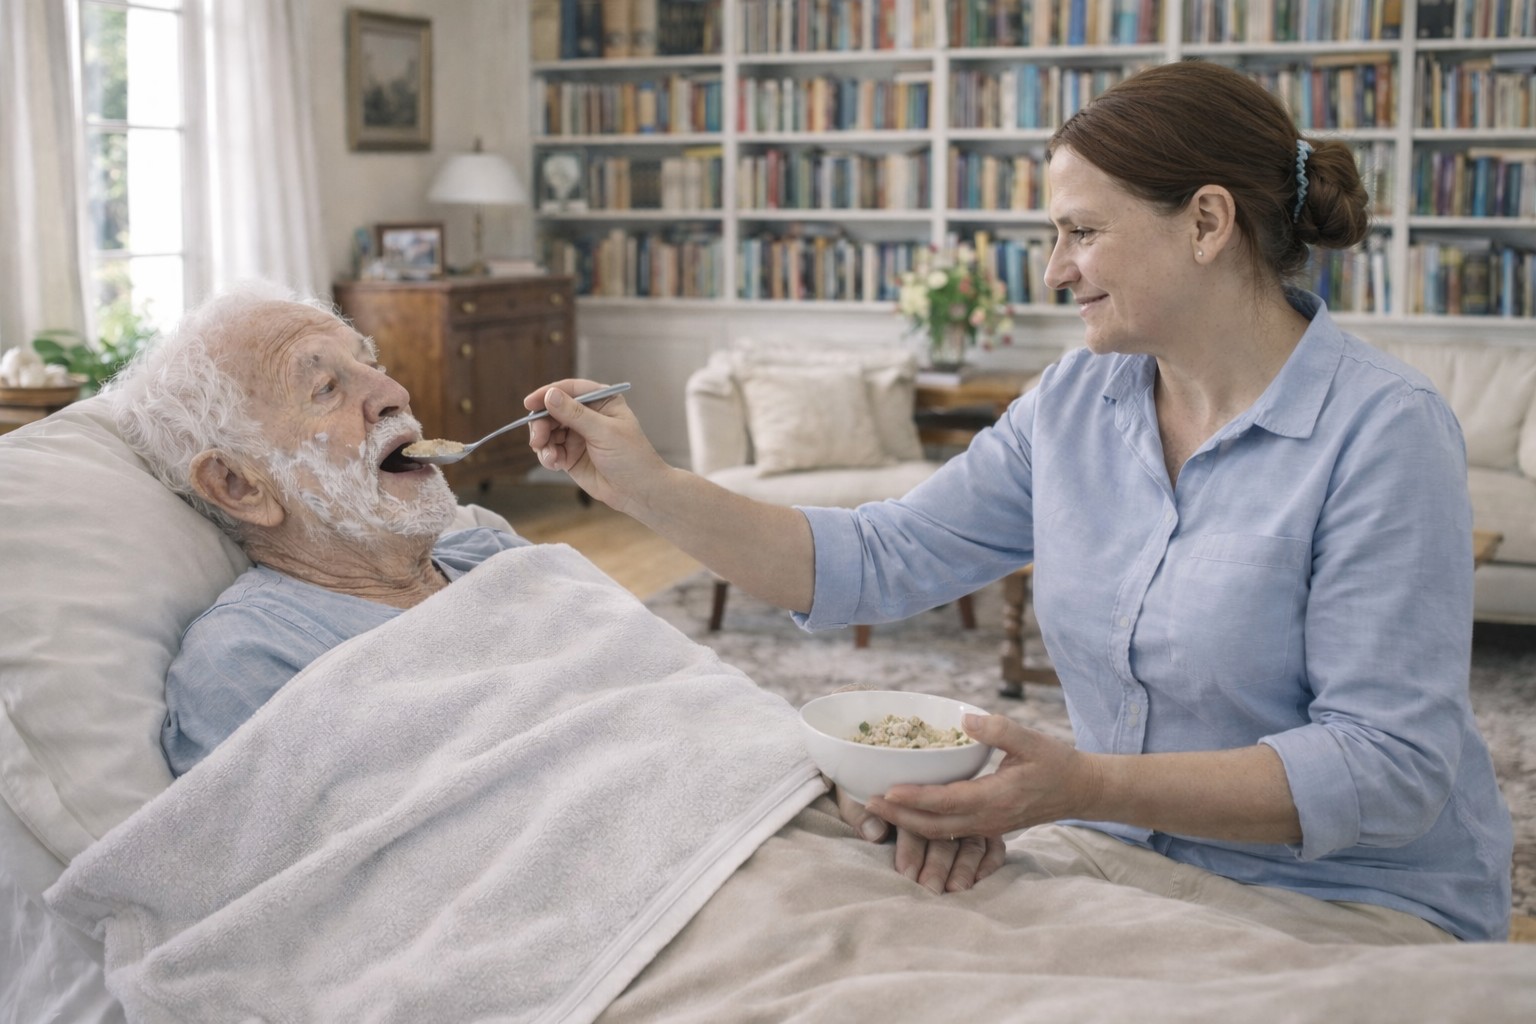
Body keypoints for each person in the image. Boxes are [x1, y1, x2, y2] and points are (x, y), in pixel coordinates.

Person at [523, 61, 1514, 942]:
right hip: (1134, 858)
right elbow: (874, 559)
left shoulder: (1382, 430)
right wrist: (643, 485)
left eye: (1083, 231)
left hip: (1350, 902)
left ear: (1209, 223)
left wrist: (1077, 786)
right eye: (1057, 233)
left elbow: (1387, 766)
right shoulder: (1077, 400)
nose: (1055, 270)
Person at [107, 282, 1001, 895]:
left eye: (369, 362)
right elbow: (332, 906)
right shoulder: (248, 661)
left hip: (757, 850)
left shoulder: (486, 550)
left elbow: (673, 699)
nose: (391, 391)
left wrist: (833, 793)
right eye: (327, 388)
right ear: (238, 486)